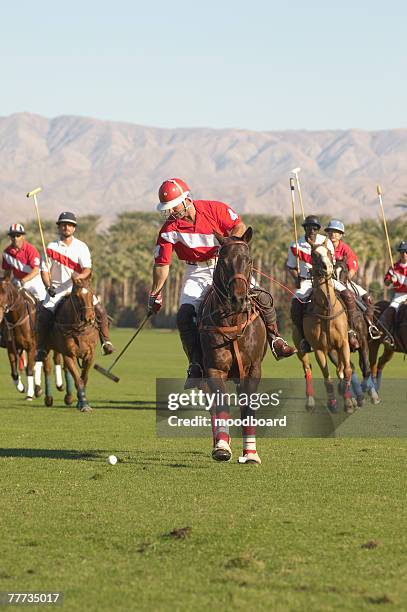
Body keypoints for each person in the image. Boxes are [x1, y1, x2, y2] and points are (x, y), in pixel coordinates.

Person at [148, 178, 296, 388]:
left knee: (262, 297)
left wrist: (228, 247)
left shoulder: (214, 209)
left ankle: (276, 340)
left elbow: (239, 226)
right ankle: (195, 365)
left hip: (225, 265)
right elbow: (162, 265)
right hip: (196, 270)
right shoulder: (169, 229)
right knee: (184, 316)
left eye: (174, 206)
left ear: (186, 200)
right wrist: (156, 293)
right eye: (168, 209)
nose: (171, 212)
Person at [35, 212, 114, 360]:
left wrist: (79, 277)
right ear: (59, 227)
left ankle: (106, 342)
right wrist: (48, 286)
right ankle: (42, 348)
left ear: (74, 228)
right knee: (44, 316)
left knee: (100, 311)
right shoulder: (51, 247)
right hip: (57, 290)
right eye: (63, 224)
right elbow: (44, 271)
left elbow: (87, 269)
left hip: (79, 289)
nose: (66, 227)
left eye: (70, 225)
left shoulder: (81, 247)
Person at [287, 215, 359, 352]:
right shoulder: (295, 245)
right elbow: (291, 266)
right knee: (296, 304)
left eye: (315, 228)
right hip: (307, 280)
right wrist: (296, 277)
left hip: (327, 278)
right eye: (309, 227)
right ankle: (304, 339)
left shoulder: (325, 241)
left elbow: (331, 262)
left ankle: (351, 331)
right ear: (304, 228)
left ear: (318, 229)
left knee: (348, 296)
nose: (312, 230)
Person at [324, 218, 379, 340]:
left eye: (337, 232)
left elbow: (353, 266)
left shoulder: (345, 249)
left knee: (368, 299)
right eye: (331, 231)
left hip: (343, 281)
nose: (333, 234)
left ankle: (370, 326)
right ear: (327, 233)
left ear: (341, 235)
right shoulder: (323, 247)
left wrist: (347, 277)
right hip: (326, 282)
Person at [2, 223, 46, 300]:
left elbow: (35, 271)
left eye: (18, 235)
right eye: (13, 236)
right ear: (10, 237)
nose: (15, 238)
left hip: (33, 279)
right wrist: (6, 282)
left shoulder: (31, 250)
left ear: (23, 236)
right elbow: (7, 271)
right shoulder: (6, 252)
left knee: (42, 299)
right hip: (17, 279)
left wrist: (22, 281)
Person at [380, 241, 407, 345]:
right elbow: (386, 283)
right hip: (399, 296)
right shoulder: (394, 267)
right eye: (402, 251)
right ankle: (388, 335)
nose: (404, 254)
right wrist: (391, 279)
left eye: (406, 251)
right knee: (391, 310)